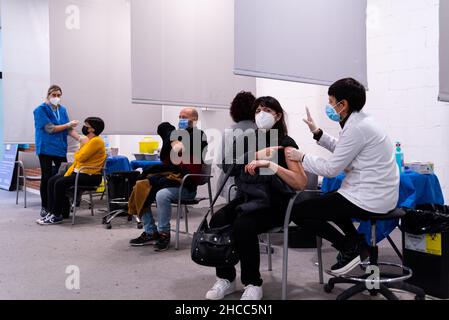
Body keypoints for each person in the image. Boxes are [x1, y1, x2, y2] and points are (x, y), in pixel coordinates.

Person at [286, 78, 400, 275]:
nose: (329, 107)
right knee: (331, 201)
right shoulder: (363, 122)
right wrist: (318, 133)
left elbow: (331, 169)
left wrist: (301, 157)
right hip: (376, 194)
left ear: (343, 104)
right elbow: (343, 149)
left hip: (369, 198)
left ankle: (349, 246)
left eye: (331, 102)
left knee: (298, 211)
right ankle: (356, 243)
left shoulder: (356, 127)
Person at [204, 96, 307, 300]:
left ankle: (253, 283)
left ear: (277, 116)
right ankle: (226, 279)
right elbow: (227, 166)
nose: (261, 114)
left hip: (275, 203)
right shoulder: (246, 139)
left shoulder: (286, 143)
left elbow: (299, 182)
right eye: (258, 110)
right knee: (217, 220)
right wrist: (256, 155)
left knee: (244, 226)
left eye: (267, 110)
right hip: (246, 198)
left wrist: (270, 164)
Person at [129, 107, 208, 251]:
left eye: (185, 116)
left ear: (195, 120)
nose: (181, 119)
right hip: (170, 180)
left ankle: (164, 233)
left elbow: (185, 153)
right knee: (140, 186)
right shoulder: (175, 137)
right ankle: (150, 231)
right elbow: (167, 158)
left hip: (186, 186)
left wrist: (175, 140)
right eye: (179, 116)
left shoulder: (199, 135)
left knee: (161, 194)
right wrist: (172, 138)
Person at [37, 117, 106, 225]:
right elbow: (79, 159)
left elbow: (80, 157)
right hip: (80, 173)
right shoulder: (89, 141)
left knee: (60, 183)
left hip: (90, 176)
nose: (84, 127)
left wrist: (77, 152)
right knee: (52, 180)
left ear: (92, 129)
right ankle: (53, 212)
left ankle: (56, 215)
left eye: (86, 125)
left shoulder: (96, 141)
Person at [33, 85, 87, 218]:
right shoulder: (40, 110)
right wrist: (68, 125)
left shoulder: (62, 110)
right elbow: (50, 128)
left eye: (58, 95)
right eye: (54, 95)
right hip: (45, 147)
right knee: (46, 177)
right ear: (48, 95)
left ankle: (61, 207)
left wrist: (80, 138)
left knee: (62, 176)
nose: (56, 98)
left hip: (59, 148)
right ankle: (45, 206)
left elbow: (68, 129)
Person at [216, 91, 257, 200]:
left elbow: (220, 162)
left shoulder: (230, 132)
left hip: (233, 185)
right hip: (257, 184)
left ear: (234, 110)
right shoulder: (262, 130)